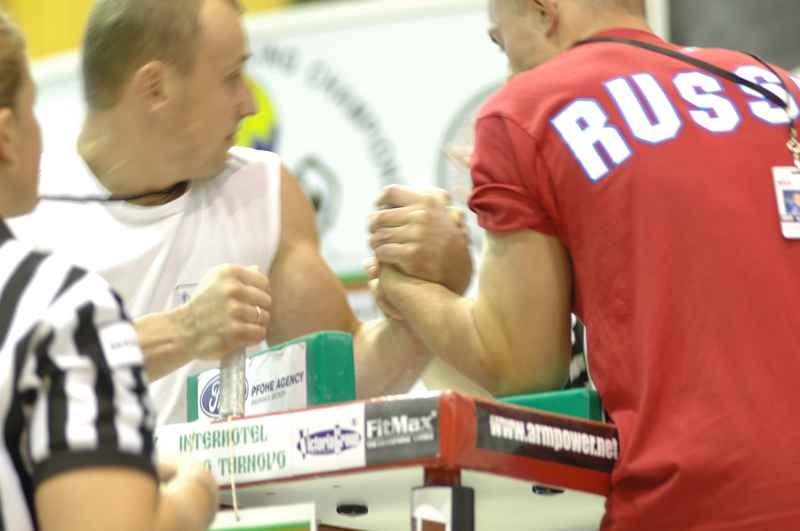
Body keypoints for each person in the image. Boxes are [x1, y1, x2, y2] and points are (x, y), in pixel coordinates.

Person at [368, 0, 800, 529]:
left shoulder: (525, 110)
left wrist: (408, 288)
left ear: (543, 12)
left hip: (691, 504)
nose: (507, 73)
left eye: (504, 45)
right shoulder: (773, 88)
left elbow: (522, 370)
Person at [10, 0, 472, 425]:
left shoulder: (263, 190)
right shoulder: (19, 212)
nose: (249, 104)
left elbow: (339, 383)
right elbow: (17, 379)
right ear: (155, 88)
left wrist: (427, 293)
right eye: (231, 76)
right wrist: (183, 331)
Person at [0, 11, 217, 531]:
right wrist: (192, 491)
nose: (44, 140)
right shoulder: (61, 308)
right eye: (33, 112)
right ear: (5, 136)